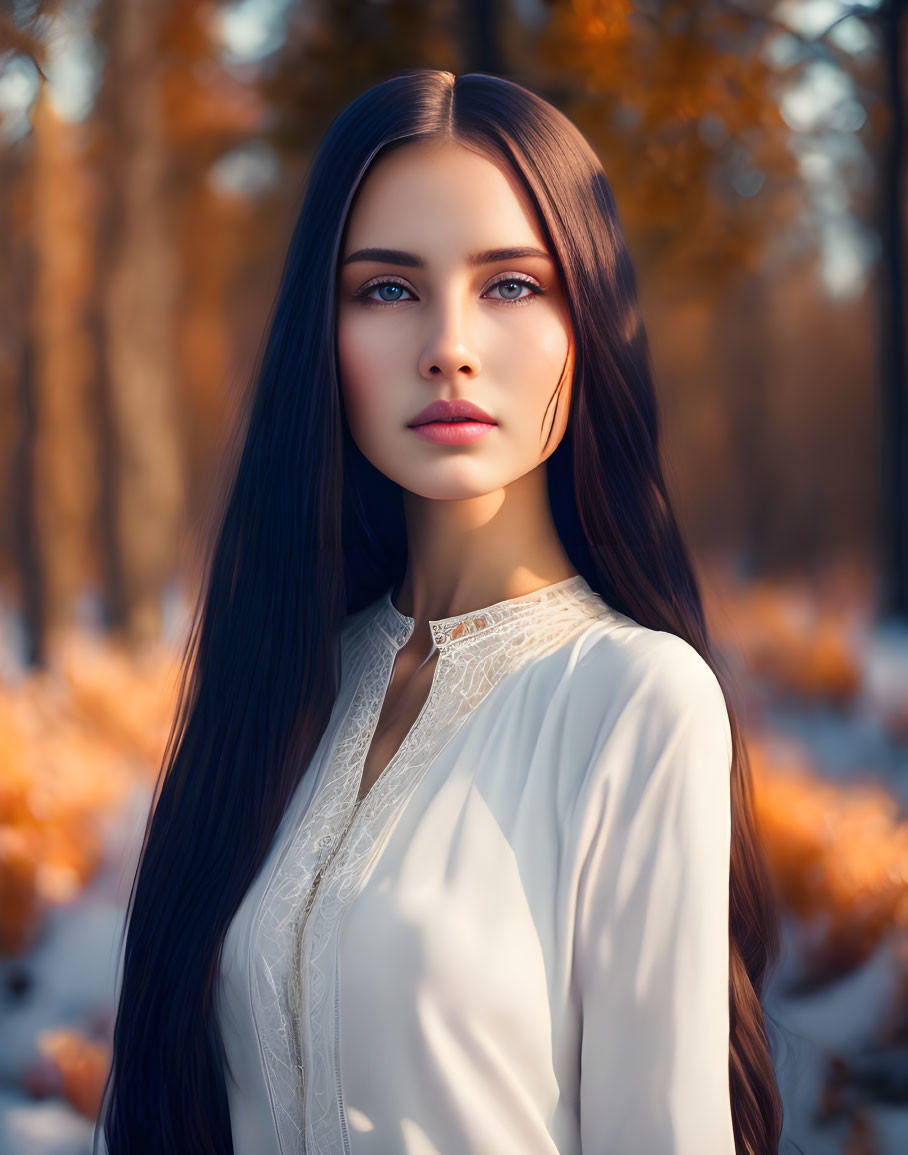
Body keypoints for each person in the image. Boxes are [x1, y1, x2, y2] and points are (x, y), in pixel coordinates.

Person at [94, 69, 784, 1154]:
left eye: (511, 284)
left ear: (588, 323)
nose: (446, 345)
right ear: (321, 343)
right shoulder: (288, 681)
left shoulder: (634, 701)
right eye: (385, 289)